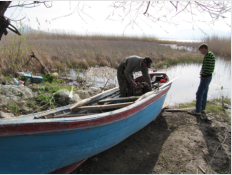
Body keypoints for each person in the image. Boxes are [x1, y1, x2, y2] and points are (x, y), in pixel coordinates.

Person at [188, 43, 215, 115]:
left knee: (199, 94)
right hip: (208, 77)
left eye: (201, 51)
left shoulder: (208, 55)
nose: (200, 52)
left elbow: (207, 67)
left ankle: (198, 110)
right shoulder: (210, 54)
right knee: (205, 93)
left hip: (206, 77)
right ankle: (203, 108)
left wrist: (203, 75)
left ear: (204, 48)